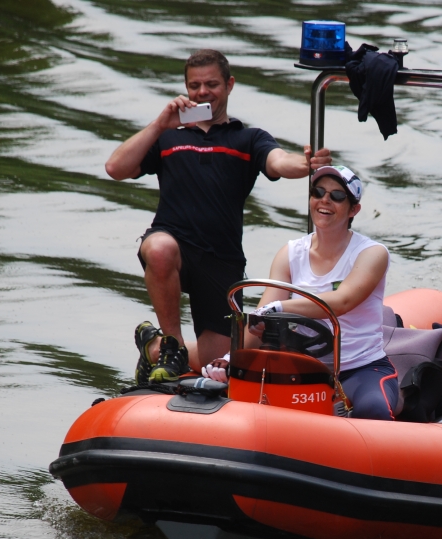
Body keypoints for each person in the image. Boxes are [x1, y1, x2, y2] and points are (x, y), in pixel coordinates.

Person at [104, 49, 333, 384]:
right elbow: (115, 168)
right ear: (185, 88)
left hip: (221, 259)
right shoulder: (168, 137)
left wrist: (307, 164)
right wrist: (158, 124)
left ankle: (152, 347)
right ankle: (171, 345)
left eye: (211, 84)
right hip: (173, 244)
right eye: (194, 85)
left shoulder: (247, 138)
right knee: (159, 248)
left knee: (219, 359)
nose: (202, 92)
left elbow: (279, 162)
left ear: (229, 85)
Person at [245, 165, 399, 420]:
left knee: (373, 411)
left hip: (361, 368)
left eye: (337, 196)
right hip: (301, 365)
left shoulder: (372, 253)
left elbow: (341, 301)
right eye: (318, 192)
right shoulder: (290, 253)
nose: (325, 200)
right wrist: (230, 360)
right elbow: (263, 312)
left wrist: (282, 309)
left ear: (354, 209)